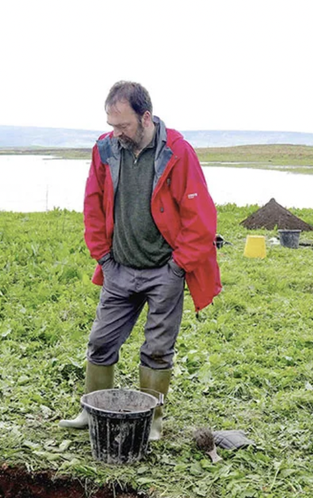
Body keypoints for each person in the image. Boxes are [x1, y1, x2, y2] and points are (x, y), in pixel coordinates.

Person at [59, 81, 221, 440]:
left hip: (165, 270)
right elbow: (92, 205)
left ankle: (153, 420)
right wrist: (103, 255)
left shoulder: (177, 152)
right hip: (119, 268)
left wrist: (178, 266)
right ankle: (91, 410)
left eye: (123, 126)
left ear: (145, 117)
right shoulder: (105, 150)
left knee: (158, 348)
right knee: (101, 342)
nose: (115, 133)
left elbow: (201, 217)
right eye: (111, 125)